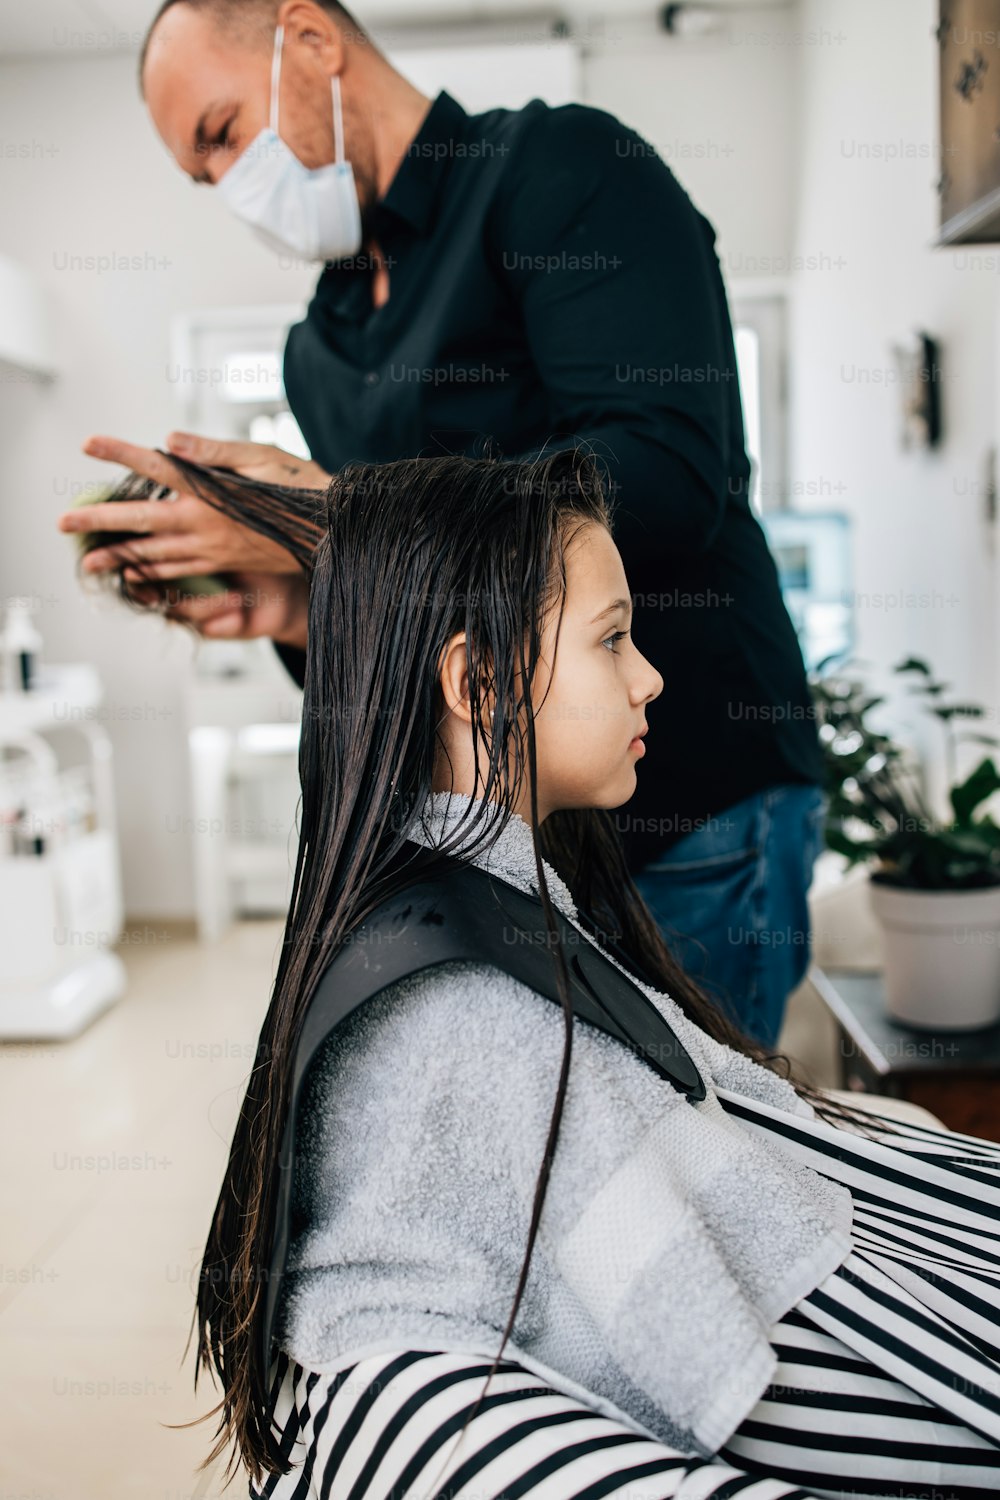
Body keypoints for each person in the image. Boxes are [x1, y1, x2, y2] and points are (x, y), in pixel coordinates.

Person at [95, 445, 1000, 1500]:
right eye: (612, 639)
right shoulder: (461, 1021)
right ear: (478, 681)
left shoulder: (489, 910)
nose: (649, 676)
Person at [58, 0, 827, 1047]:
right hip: (509, 847)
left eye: (225, 134)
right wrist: (285, 600)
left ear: (312, 42)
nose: (230, 186)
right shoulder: (320, 347)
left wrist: (327, 518)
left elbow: (669, 474)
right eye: (205, 176)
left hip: (689, 796)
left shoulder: (561, 172)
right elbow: (412, 608)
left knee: (700, 1163)